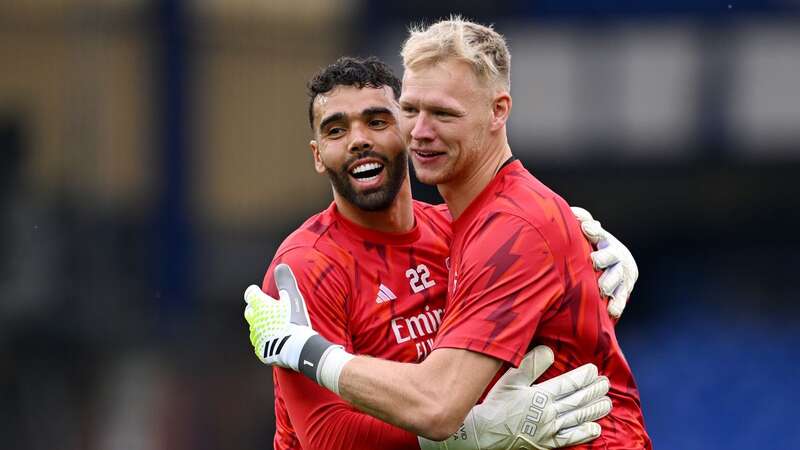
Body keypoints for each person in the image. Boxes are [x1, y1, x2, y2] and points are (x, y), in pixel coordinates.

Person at [248, 48, 644, 449]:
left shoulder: (464, 231)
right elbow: (326, 438)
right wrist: (462, 437)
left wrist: (583, 244)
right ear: (318, 156)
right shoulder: (305, 268)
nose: (359, 141)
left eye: (377, 121)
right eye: (336, 130)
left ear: (408, 130)